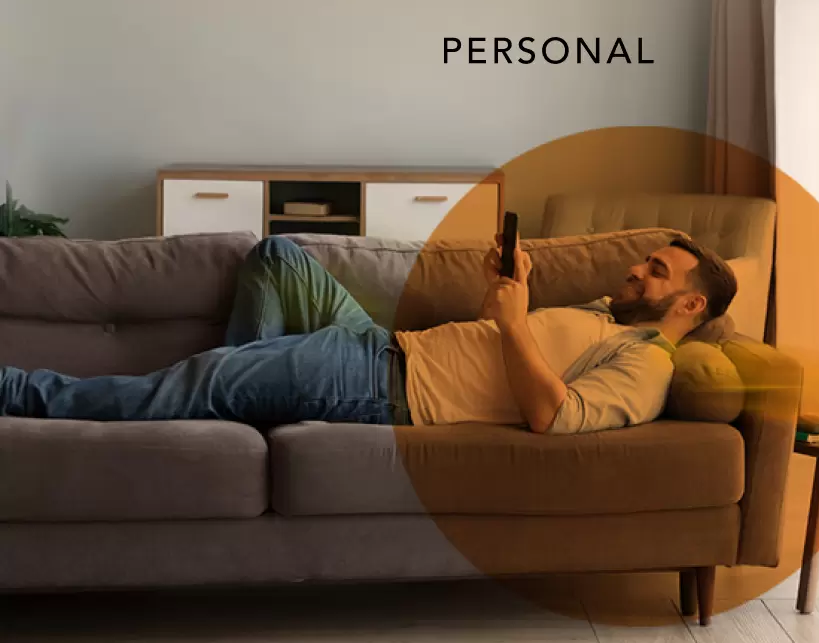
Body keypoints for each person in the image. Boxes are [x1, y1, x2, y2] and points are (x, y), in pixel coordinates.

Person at [0, 234, 736, 434]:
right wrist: (505, 300)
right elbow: (493, 351)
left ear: (692, 307)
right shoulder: (604, 314)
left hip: (381, 387)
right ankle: (242, 388)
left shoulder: (646, 368)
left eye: (660, 271)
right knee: (278, 257)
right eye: (647, 260)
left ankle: (17, 391)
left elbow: (551, 415)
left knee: (196, 383)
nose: (639, 270)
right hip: (382, 346)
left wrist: (515, 325)